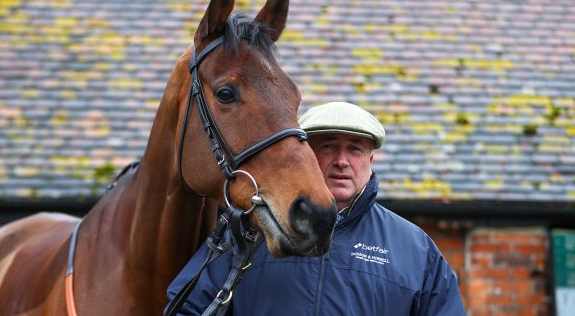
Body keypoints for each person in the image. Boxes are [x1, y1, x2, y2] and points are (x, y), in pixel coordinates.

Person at [166, 102, 466, 315]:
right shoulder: (250, 231)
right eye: (328, 146)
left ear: (370, 162)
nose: (342, 161)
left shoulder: (414, 248)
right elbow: (188, 307)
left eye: (355, 149)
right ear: (305, 156)